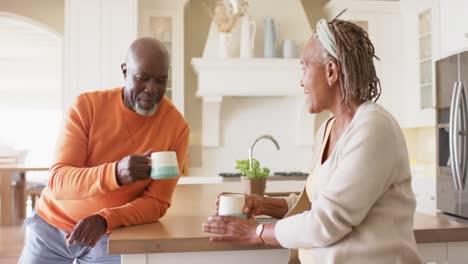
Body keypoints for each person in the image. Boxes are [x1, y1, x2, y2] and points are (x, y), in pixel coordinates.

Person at [203, 18, 423, 264]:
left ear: (331, 71)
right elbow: (315, 202)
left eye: (304, 67)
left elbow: (326, 221)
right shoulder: (328, 128)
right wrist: (262, 204)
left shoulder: (373, 128)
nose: (301, 81)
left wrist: (255, 233)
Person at [19, 37, 190, 264]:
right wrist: (115, 173)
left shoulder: (176, 127)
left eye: (161, 81)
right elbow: (59, 182)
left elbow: (157, 202)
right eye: (142, 78)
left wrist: (105, 219)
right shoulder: (86, 107)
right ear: (125, 71)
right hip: (52, 226)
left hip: (110, 234)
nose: (152, 89)